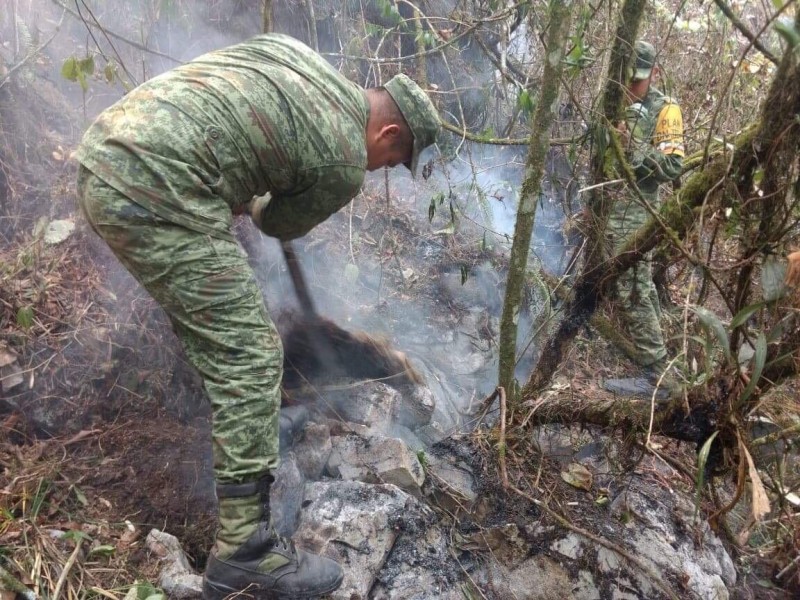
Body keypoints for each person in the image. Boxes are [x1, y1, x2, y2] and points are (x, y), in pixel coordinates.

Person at [74, 33, 440, 600]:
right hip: (158, 188)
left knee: (223, 331)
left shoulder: (299, 57)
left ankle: (219, 429)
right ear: (388, 133)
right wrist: (257, 197)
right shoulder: (344, 159)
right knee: (252, 354)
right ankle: (244, 553)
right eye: (391, 161)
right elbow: (275, 223)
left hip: (107, 150)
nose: (380, 171)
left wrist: (244, 177)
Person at [603, 40, 685, 398]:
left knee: (633, 288)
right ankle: (667, 368)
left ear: (655, 74)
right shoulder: (615, 100)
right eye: (626, 78)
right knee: (640, 287)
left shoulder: (665, 110)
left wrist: (631, 146)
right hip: (609, 212)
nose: (630, 87)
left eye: (637, 79)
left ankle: (658, 378)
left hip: (637, 215)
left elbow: (672, 165)